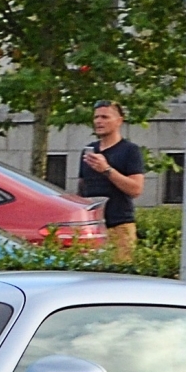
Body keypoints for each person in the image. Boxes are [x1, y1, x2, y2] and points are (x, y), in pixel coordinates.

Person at [77, 102, 146, 262]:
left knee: (119, 276)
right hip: (91, 227)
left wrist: (106, 169)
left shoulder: (130, 150)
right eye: (96, 117)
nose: (99, 121)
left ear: (119, 121)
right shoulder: (89, 150)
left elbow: (136, 189)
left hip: (119, 224)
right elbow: (81, 187)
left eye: (105, 117)